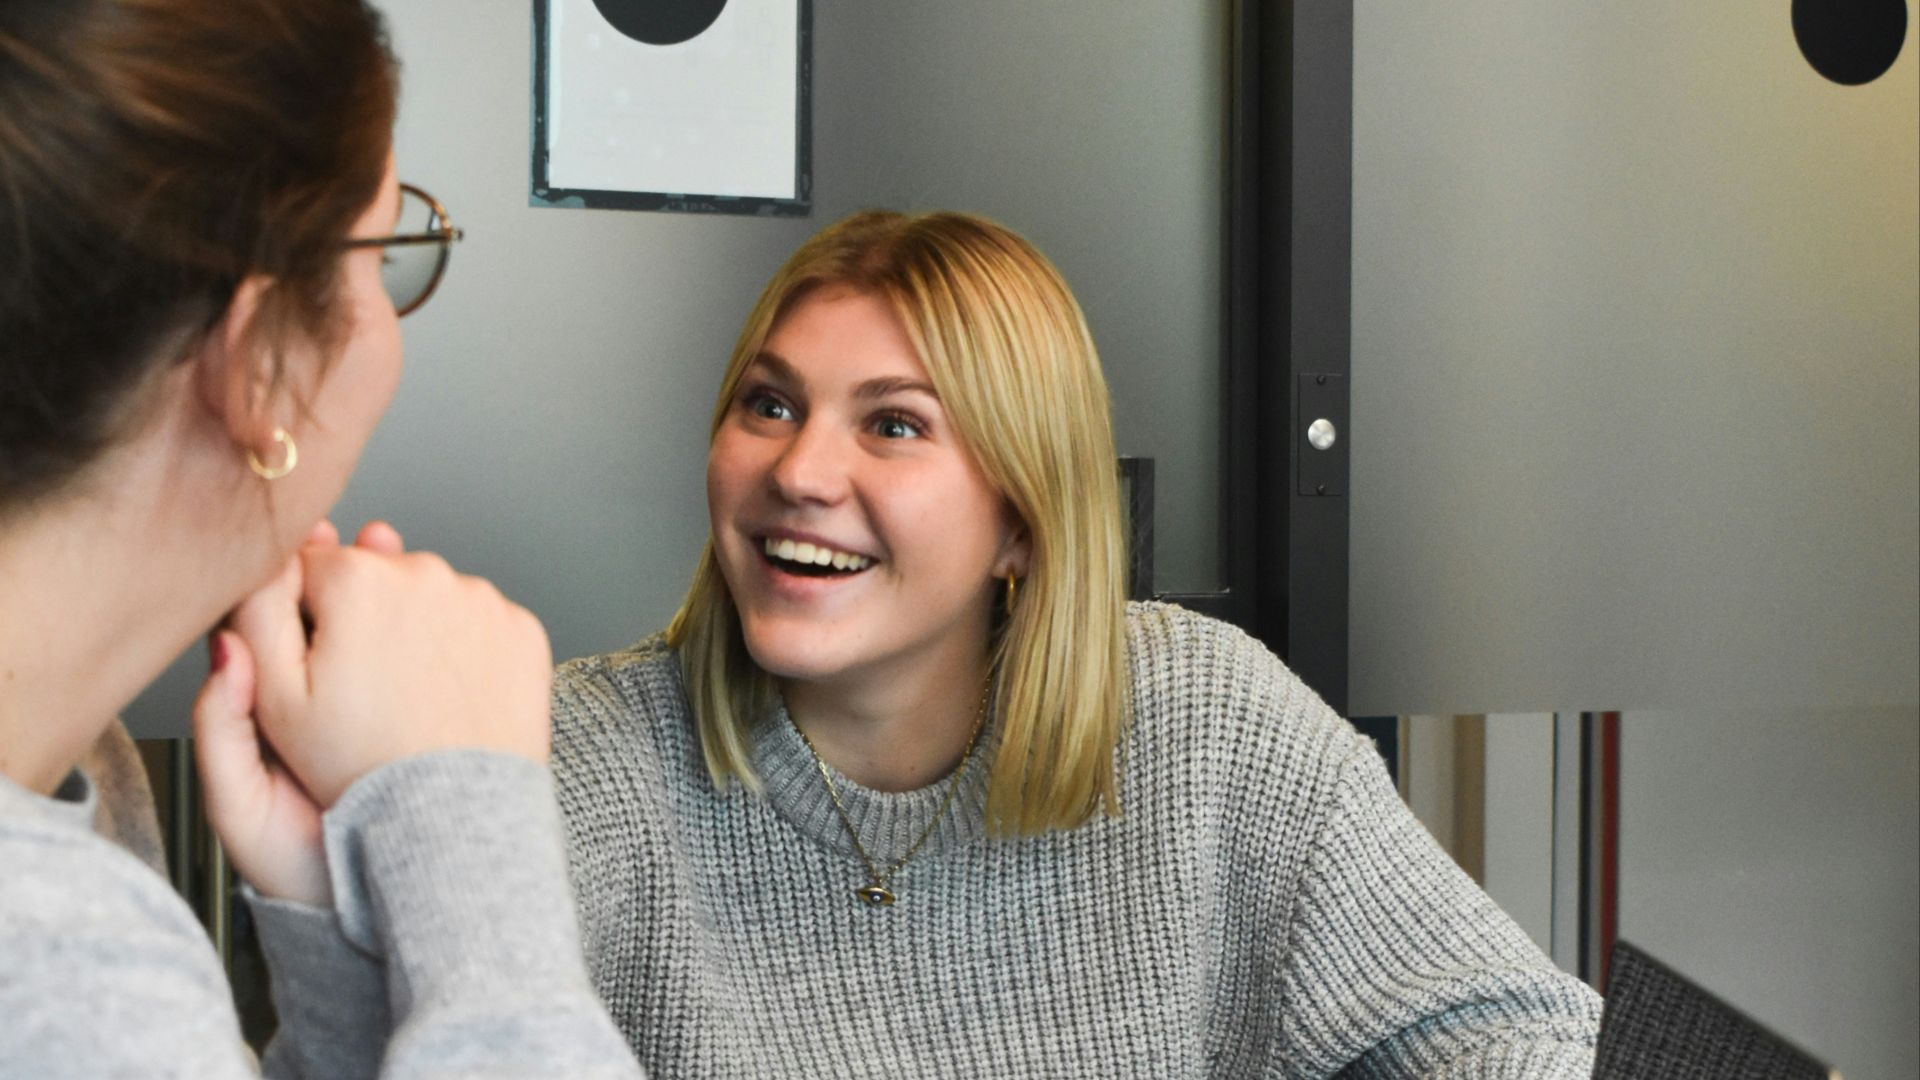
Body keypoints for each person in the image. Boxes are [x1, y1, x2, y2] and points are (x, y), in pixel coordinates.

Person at [549, 210, 1605, 1077]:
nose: (801, 473)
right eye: (770, 404)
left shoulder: (1200, 714)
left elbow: (1510, 1036)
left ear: (1021, 520)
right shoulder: (581, 759)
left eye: (895, 425)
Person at [0, 1, 642, 1075]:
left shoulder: (86, 778)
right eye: (385, 248)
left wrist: (336, 940)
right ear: (260, 366)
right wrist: (463, 822)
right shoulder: (59, 960)